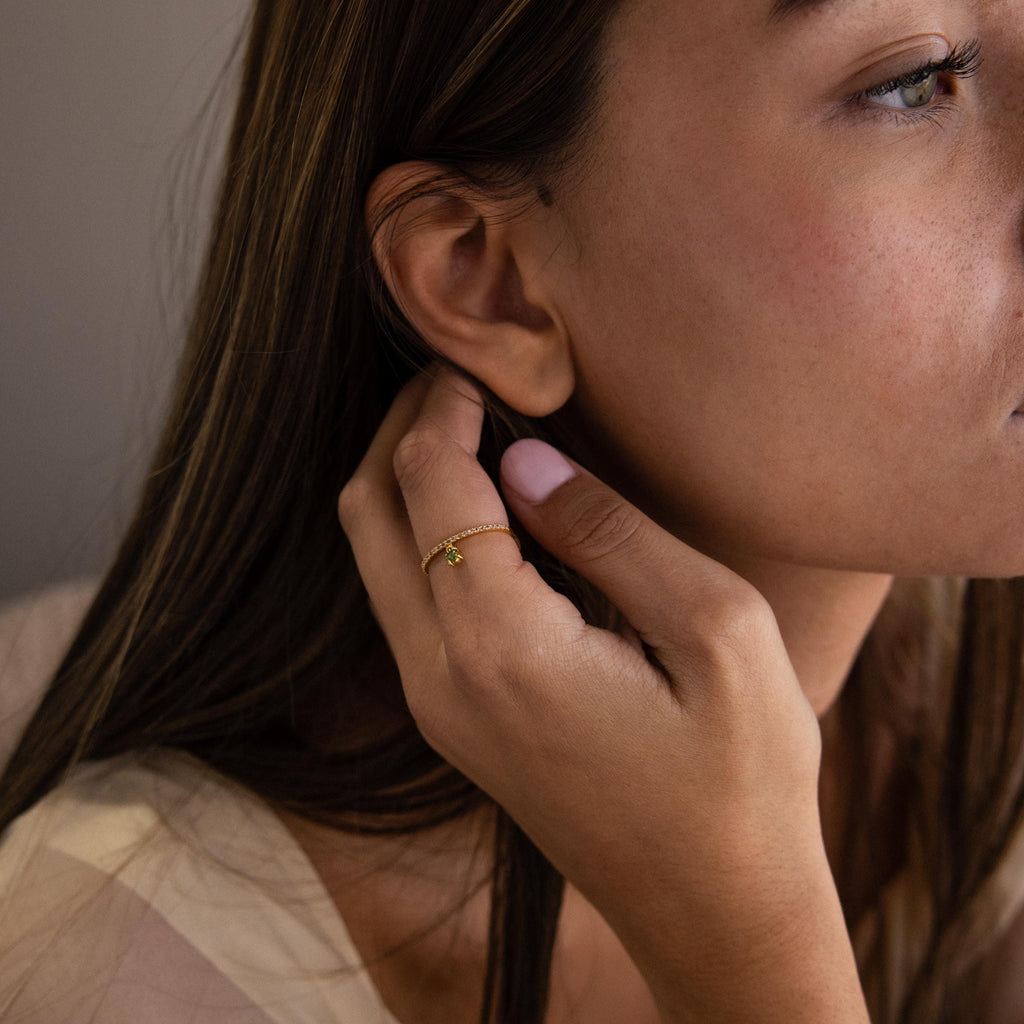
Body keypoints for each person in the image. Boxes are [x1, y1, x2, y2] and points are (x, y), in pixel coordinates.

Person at [2, 0, 1024, 1020]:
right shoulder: (126, 972)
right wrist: (749, 954)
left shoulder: (972, 742)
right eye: (911, 79)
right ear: (486, 279)